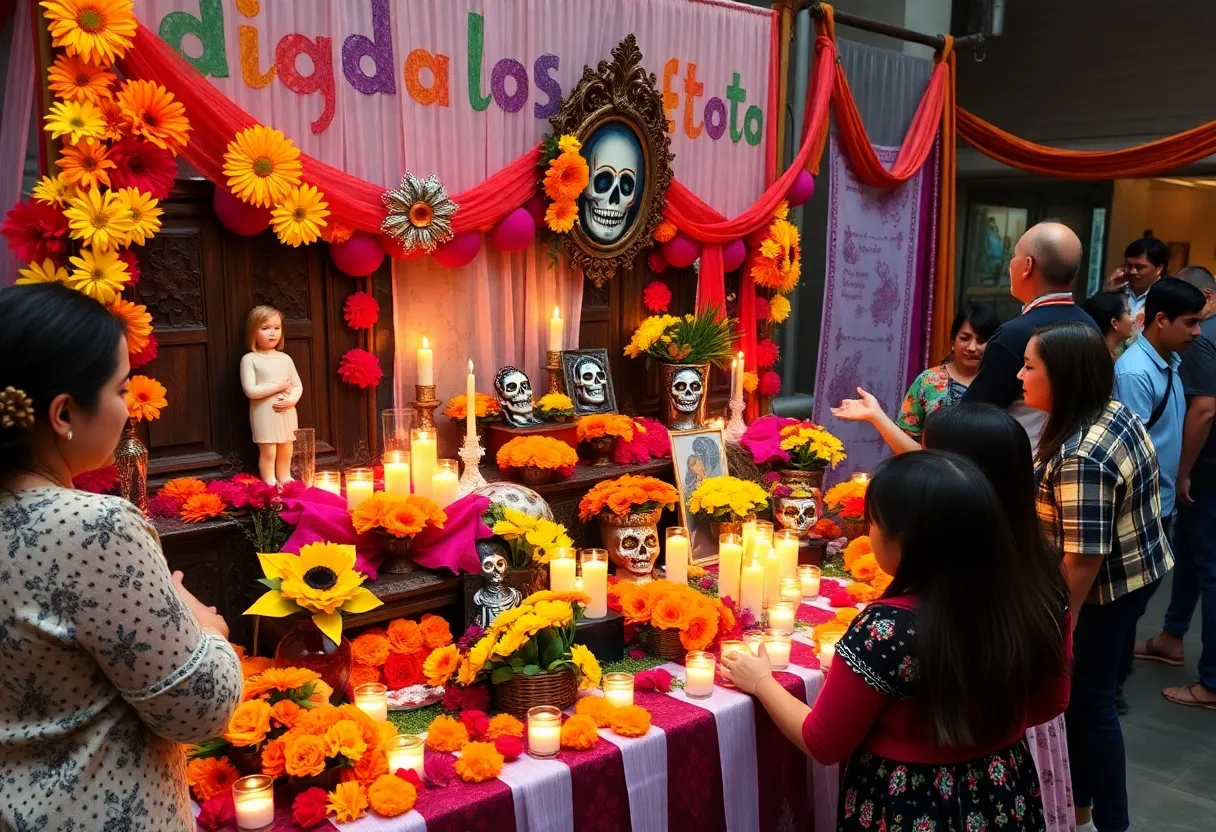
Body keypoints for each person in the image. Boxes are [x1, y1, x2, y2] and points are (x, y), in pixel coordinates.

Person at [722, 451, 1070, 832]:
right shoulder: (1032, 598)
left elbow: (823, 741)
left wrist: (760, 681)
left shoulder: (888, 628)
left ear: (903, 541)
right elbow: (1051, 700)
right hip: (1002, 790)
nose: (869, 532)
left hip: (911, 802)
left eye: (872, 523)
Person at [0, 283, 242, 829]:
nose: (130, 406)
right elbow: (200, 707)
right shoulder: (92, 528)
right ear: (64, 413)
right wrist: (204, 627)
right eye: (120, 388)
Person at [1019, 323, 1172, 832]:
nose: (1020, 375)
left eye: (1030, 366)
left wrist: (1060, 624)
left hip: (1107, 589)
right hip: (1139, 569)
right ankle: (1079, 807)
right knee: (1088, 698)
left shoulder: (1081, 455)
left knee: (1090, 704)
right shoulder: (1108, 411)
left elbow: (1082, 559)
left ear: (1061, 378)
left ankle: (1111, 822)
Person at [1111, 277, 1203, 713]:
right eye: (1191, 323)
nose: (1198, 332)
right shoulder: (1134, 373)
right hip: (1139, 509)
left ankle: (1112, 679)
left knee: (1136, 601)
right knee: (1124, 606)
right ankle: (1107, 687)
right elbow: (1129, 447)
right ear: (1160, 320)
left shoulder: (1169, 360)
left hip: (1160, 501)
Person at [1136, 265, 1216, 709]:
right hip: (1190, 477)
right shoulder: (1145, 364)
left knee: (1207, 567)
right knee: (1190, 557)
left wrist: (1184, 472)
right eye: (1191, 321)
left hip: (1204, 473)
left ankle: (1212, 682)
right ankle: (1171, 637)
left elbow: (1204, 409)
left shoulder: (1197, 343)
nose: (1196, 329)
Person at [961, 222, 1099, 454]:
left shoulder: (1016, 334)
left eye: (1013, 256)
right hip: (1077, 453)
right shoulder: (1091, 326)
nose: (1009, 265)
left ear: (1027, 266)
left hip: (1024, 465)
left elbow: (975, 417)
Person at [895, 303, 999, 440]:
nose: (972, 348)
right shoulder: (927, 381)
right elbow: (904, 437)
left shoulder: (999, 382)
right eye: (964, 338)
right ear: (953, 340)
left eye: (981, 341)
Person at [1104, 236, 1169, 334]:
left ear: (1159, 269)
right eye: (1129, 266)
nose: (1132, 271)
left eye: (1139, 267)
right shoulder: (1117, 291)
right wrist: (1109, 292)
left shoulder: (1168, 295)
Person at [1083, 291, 1134, 360]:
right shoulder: (1102, 360)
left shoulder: (1108, 355)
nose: (1133, 320)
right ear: (1115, 322)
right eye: (1128, 313)